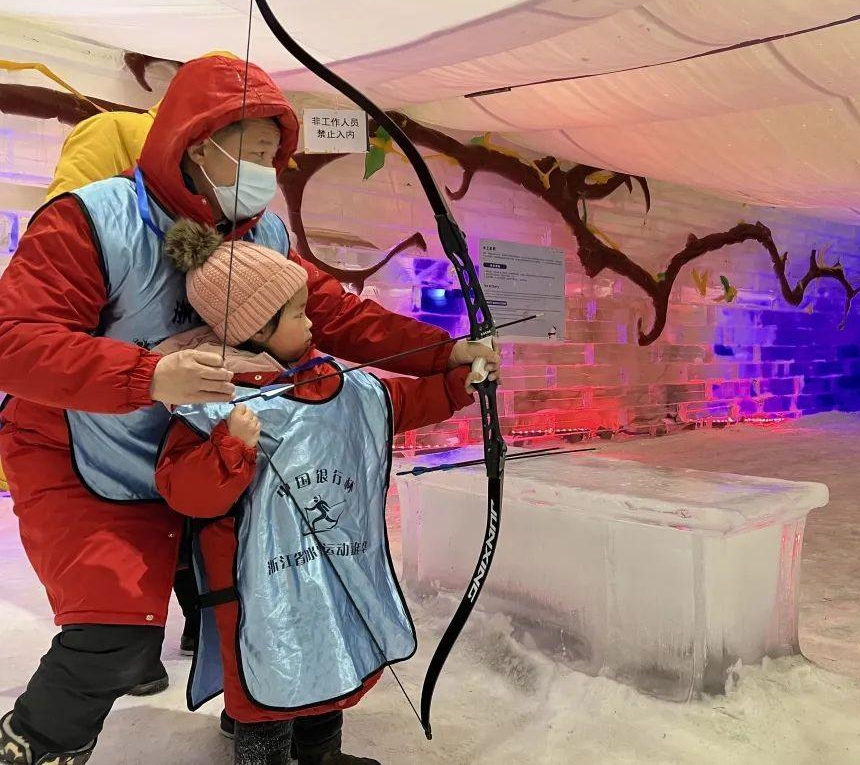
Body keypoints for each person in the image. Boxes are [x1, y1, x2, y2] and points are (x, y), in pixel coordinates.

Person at [0, 53, 497, 764]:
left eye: (273, 156)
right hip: (82, 451)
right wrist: (149, 375)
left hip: (215, 451)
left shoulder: (261, 233)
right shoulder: (93, 219)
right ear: (199, 144)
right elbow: (14, 341)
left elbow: (333, 313)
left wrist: (443, 353)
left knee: (260, 597)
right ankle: (36, 746)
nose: (266, 171)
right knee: (115, 635)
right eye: (255, 154)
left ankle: (260, 714)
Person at [155, 220, 477, 765]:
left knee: (332, 648)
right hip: (253, 583)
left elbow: (391, 404)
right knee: (267, 672)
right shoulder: (212, 399)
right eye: (298, 314)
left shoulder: (327, 380)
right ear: (256, 329)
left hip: (326, 566)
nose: (312, 323)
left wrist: (457, 383)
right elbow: (187, 494)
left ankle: (322, 755)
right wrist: (230, 448)